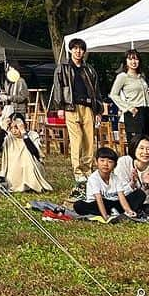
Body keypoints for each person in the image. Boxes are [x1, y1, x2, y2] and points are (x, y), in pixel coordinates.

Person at [49, 38, 102, 189]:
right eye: (75, 48)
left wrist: (98, 109)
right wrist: (59, 106)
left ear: (84, 51)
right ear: (70, 50)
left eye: (81, 49)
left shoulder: (89, 69)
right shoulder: (63, 67)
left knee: (89, 140)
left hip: (88, 107)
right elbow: (58, 86)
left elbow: (96, 90)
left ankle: (88, 168)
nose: (78, 51)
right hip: (71, 107)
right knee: (76, 138)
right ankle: (78, 171)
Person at [72, 147, 145, 221]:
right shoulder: (94, 178)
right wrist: (105, 217)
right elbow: (99, 198)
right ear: (96, 162)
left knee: (140, 194)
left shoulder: (116, 178)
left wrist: (129, 211)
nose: (105, 164)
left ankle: (118, 212)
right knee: (78, 205)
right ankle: (110, 213)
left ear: (115, 165)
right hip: (98, 203)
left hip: (115, 203)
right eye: (102, 161)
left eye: (110, 162)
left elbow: (121, 197)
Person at [110, 51, 149, 151]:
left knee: (147, 141)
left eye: (136, 59)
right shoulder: (123, 77)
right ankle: (134, 164)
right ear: (126, 61)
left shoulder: (141, 77)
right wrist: (128, 107)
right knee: (136, 142)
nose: (134, 61)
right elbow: (113, 94)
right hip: (134, 112)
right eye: (130, 59)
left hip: (146, 111)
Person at [114, 138, 149, 218]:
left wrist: (145, 186)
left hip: (145, 205)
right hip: (121, 201)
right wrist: (132, 184)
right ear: (134, 149)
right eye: (141, 148)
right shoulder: (123, 162)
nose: (145, 152)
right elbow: (117, 192)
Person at [0, 114, 52, 193]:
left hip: (31, 167)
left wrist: (24, 133)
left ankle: (31, 184)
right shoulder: (9, 137)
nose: (14, 131)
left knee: (27, 157)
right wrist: (3, 130)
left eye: (16, 128)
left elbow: (35, 153)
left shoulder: (32, 135)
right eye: (11, 128)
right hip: (13, 170)